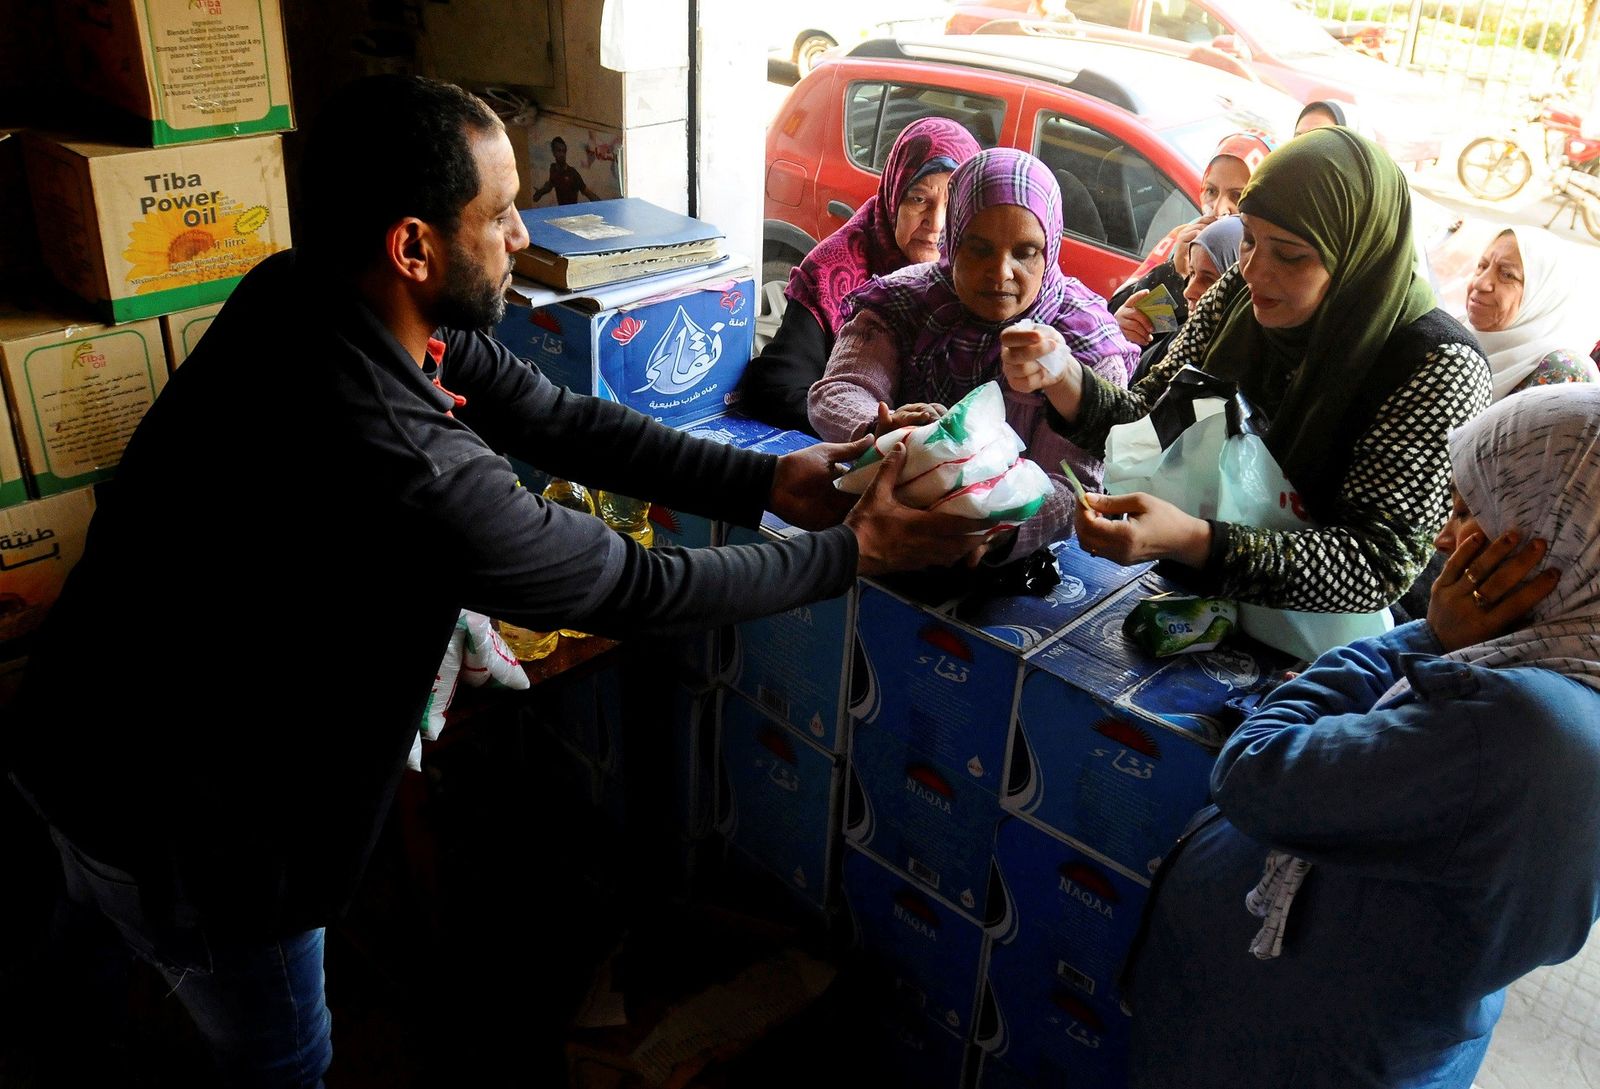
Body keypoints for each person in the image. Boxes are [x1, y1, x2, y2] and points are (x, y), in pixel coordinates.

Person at [0, 75, 989, 1089]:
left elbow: (560, 419)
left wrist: (764, 474)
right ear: (413, 246)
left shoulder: (307, 292)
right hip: (196, 826)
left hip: (75, 725)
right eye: (501, 213)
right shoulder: (407, 461)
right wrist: (851, 553)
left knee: (77, 959)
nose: (524, 237)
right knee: (280, 1054)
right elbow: (634, 588)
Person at [1123, 383, 1600, 1088]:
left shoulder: (1506, 722)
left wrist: (1430, 637)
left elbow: (1255, 771)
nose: (1443, 536)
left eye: (1472, 514)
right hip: (1378, 1037)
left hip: (1293, 1054)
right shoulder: (1565, 680)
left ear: (1550, 545)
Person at [1002, 127, 1491, 618]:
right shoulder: (1239, 291)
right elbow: (1150, 421)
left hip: (1322, 645)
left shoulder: (1439, 366)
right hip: (1201, 605)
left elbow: (1377, 565)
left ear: (1354, 255)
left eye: (1291, 254)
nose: (1256, 269)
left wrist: (1195, 542)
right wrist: (1064, 376)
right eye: (1250, 238)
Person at [808, 147, 1140, 558]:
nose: (1001, 272)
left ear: (1050, 248)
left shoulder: (1085, 342)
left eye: (1025, 252)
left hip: (998, 559)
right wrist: (885, 431)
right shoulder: (905, 301)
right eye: (979, 249)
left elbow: (1068, 484)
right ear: (953, 239)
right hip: (878, 526)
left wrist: (993, 531)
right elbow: (839, 390)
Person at [737, 117, 981, 434]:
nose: (935, 223)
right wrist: (874, 426)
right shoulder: (834, 270)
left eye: (951, 204)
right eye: (919, 199)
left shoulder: (978, 279)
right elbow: (778, 388)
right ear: (894, 194)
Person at [1110, 130, 1272, 314]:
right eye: (1211, 191)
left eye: (1237, 196)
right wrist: (1176, 275)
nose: (1219, 209)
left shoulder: (1267, 268)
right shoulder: (1184, 239)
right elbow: (1142, 329)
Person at [1461, 225, 1598, 400]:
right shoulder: (1453, 329)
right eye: (1482, 266)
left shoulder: (1562, 372)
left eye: (1507, 275)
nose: (1480, 283)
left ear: (1543, 296)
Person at [1115, 214, 1242, 384]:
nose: (1188, 291)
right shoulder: (1181, 336)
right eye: (1191, 273)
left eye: (1210, 280)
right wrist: (1118, 336)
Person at [531, 135, 599, 205]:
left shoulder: (573, 173)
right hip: (561, 211)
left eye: (564, 151)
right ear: (553, 152)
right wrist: (540, 192)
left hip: (572, 212)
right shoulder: (553, 168)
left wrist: (602, 205)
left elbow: (587, 192)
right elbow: (551, 184)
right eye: (559, 151)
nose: (562, 154)